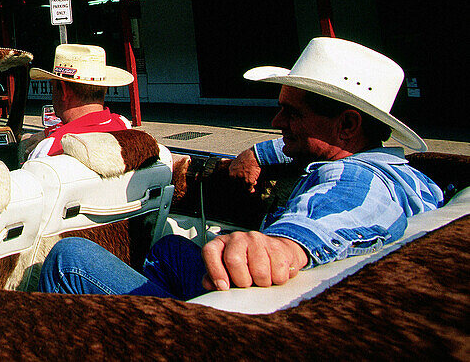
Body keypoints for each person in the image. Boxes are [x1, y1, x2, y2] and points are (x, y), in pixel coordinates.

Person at [39, 37, 443, 299]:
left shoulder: (355, 179)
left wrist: (281, 244)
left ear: (348, 125)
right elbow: (319, 163)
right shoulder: (402, 173)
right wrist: (263, 152)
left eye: (291, 112)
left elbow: (345, 206)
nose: (276, 122)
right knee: (169, 248)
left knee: (69, 256)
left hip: (238, 320)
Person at [21, 44, 135, 161]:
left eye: (53, 87)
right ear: (103, 87)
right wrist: (49, 132)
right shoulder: (123, 125)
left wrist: (51, 136)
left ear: (64, 91)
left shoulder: (49, 149)